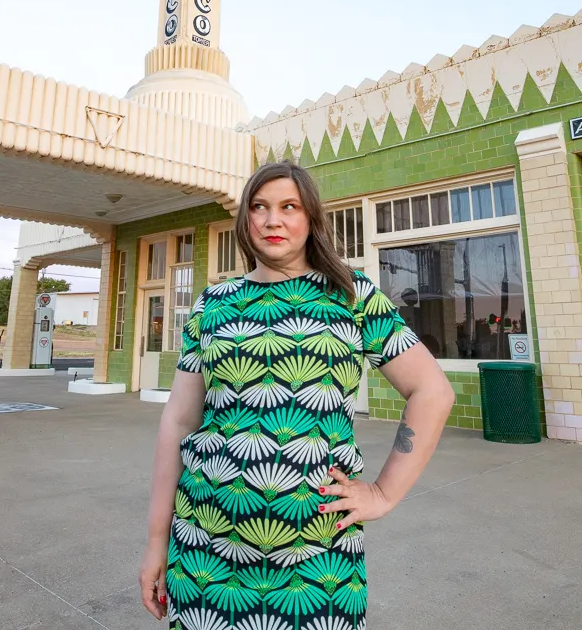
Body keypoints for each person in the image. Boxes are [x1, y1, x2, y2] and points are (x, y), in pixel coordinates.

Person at [140, 160, 456, 628]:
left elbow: (431, 390)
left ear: (310, 217)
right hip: (203, 550)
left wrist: (384, 493)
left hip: (317, 561)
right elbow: (179, 421)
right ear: (245, 220)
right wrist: (155, 541)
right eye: (259, 207)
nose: (273, 220)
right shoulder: (213, 303)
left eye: (289, 206)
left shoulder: (351, 294)